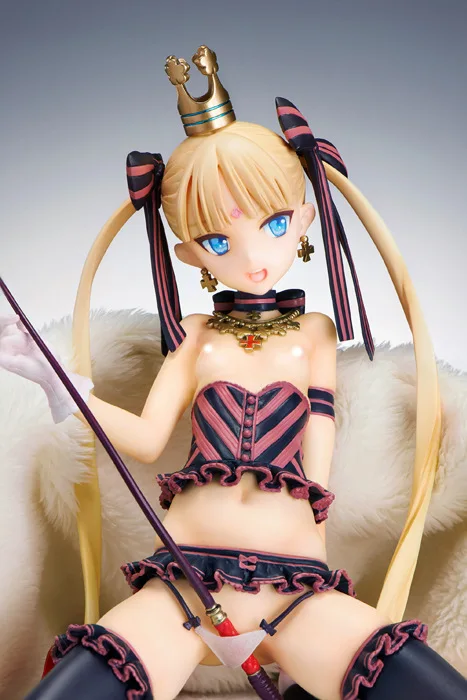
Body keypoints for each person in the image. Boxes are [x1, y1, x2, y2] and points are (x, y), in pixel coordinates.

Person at [0, 45, 465, 700]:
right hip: (184, 590)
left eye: (274, 224)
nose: (252, 257)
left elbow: (320, 449)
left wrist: (314, 552)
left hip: (294, 593)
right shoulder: (195, 334)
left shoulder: (313, 332)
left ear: (305, 220)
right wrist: (61, 387)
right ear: (189, 254)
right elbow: (144, 437)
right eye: (218, 241)